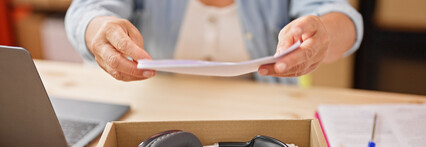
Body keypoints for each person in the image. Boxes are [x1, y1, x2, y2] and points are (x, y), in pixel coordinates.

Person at [65, 0, 363, 84]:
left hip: (264, 111)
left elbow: (341, 17)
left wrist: (323, 32)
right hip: (153, 105)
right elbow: (87, 11)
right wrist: (99, 29)